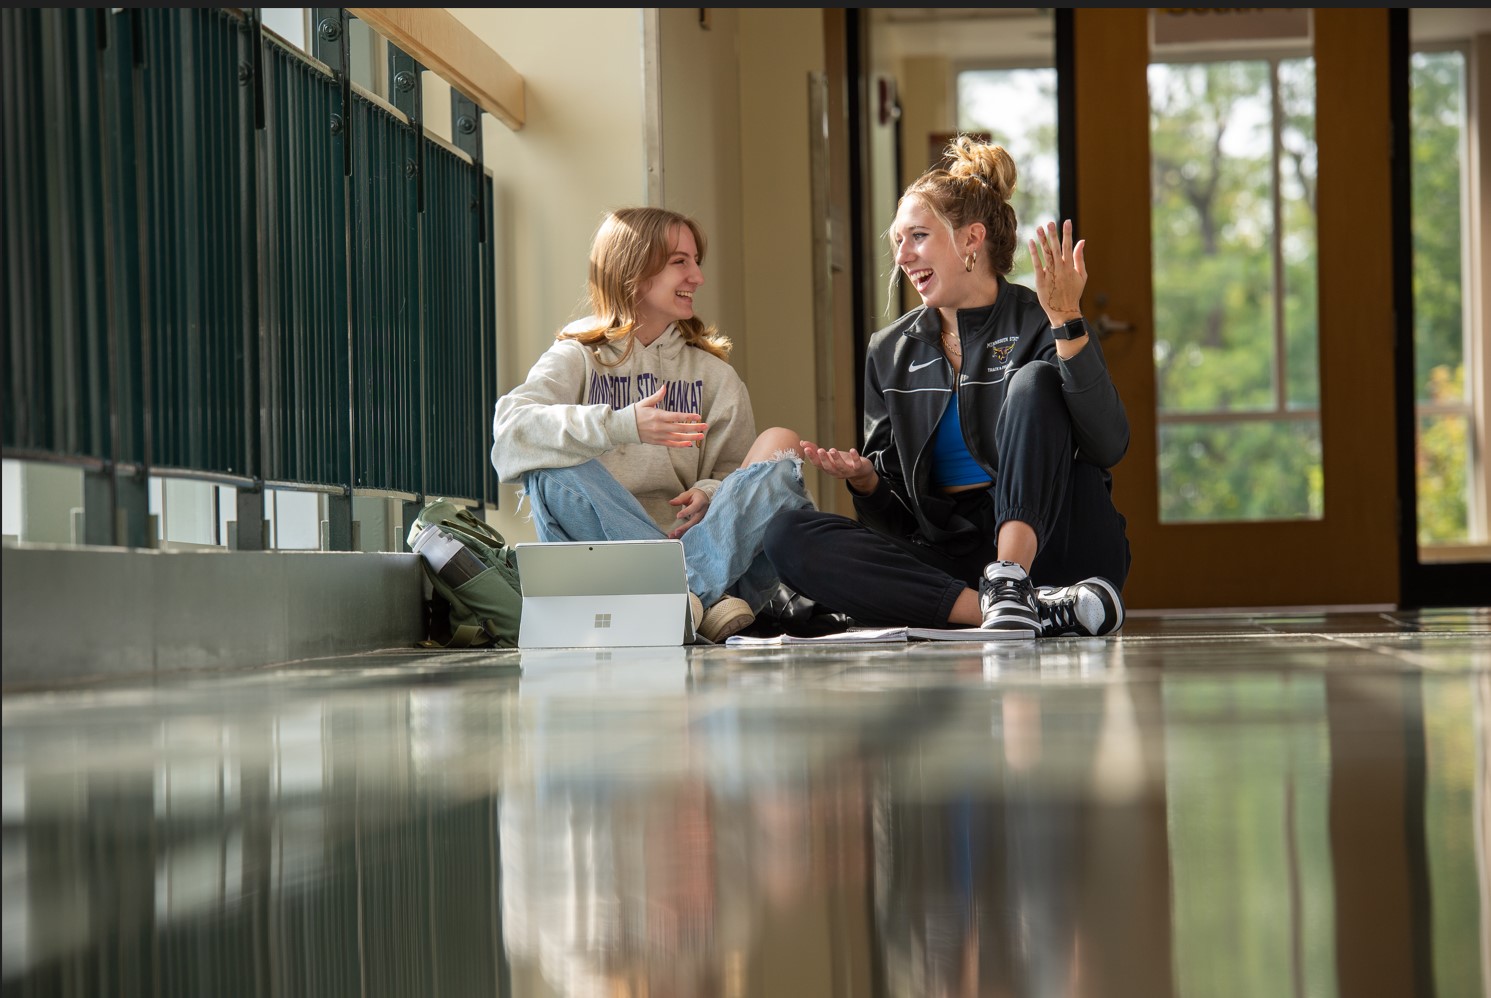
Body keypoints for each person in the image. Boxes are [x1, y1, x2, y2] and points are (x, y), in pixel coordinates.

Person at [763, 135, 1129, 637]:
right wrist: (869, 484)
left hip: (1061, 542)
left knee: (1034, 380)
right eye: (897, 241)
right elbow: (897, 524)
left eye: (917, 236)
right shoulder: (889, 350)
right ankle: (1013, 610)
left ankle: (1013, 582)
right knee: (788, 535)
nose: (903, 256)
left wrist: (1067, 321)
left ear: (971, 239)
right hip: (956, 563)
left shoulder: (1040, 320)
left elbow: (1109, 444)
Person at [491, 206, 814, 642]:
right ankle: (685, 597)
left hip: (724, 578)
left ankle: (684, 592)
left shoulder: (714, 376)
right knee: (550, 464)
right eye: (680, 262)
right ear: (633, 270)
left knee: (781, 449)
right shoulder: (579, 354)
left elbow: (737, 482)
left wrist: (710, 491)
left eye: (697, 261)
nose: (697, 277)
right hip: (616, 574)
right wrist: (621, 426)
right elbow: (510, 433)